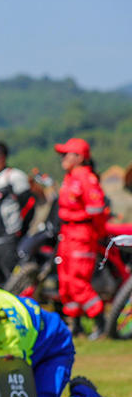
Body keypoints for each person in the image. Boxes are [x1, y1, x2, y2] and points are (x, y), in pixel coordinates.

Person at [54, 138, 109, 338]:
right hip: (67, 234)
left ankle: (101, 324)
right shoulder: (69, 178)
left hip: (81, 234)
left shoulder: (86, 178)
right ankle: (74, 325)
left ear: (79, 157)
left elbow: (97, 209)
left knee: (78, 280)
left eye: (66, 154)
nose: (62, 158)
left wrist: (99, 231)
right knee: (66, 281)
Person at [0, 141, 34, 286]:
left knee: (11, 278)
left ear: (1, 158)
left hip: (9, 237)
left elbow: (28, 206)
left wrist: (20, 231)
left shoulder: (14, 177)